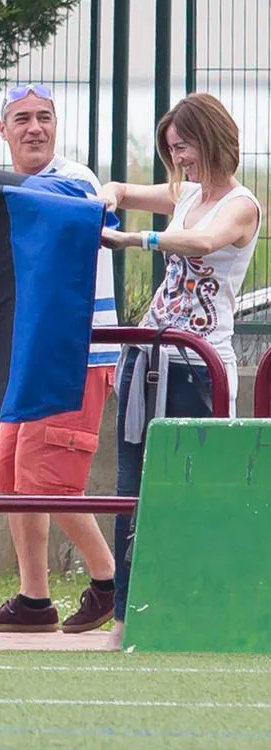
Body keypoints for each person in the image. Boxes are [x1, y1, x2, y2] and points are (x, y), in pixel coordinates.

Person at [98, 93, 262, 649]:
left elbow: (204, 240)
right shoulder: (185, 192)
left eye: (184, 146)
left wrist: (135, 238)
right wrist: (107, 195)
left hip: (199, 366)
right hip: (147, 358)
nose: (180, 160)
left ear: (211, 137)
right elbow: (122, 190)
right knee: (129, 488)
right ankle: (123, 620)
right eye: (172, 150)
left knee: (198, 491)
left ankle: (202, 613)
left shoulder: (241, 204)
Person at [0, 84, 120, 636]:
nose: (35, 128)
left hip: (76, 357)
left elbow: (53, 206)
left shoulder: (74, 180)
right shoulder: (15, 189)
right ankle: (34, 600)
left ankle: (108, 582)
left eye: (45, 118)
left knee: (47, 480)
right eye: (22, 119)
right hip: (32, 357)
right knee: (10, 478)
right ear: (3, 131)